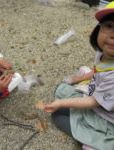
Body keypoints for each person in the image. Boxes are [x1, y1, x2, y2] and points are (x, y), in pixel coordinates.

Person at [44, 2, 114, 150]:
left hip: (107, 116)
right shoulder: (103, 52)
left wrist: (62, 103)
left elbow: (93, 102)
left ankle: (94, 141)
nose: (113, 35)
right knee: (61, 91)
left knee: (58, 116)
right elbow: (98, 70)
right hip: (100, 95)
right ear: (98, 29)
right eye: (109, 26)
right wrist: (79, 79)